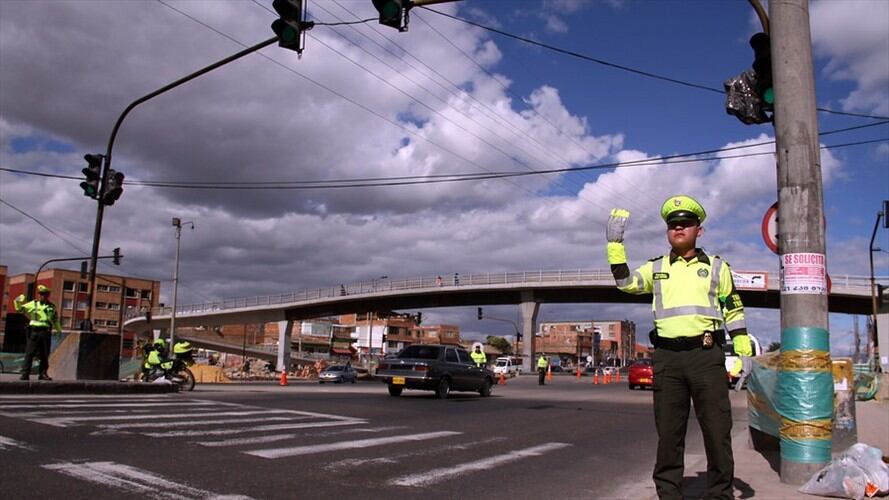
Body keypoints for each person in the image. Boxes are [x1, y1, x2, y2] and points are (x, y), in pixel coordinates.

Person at [606, 195, 752, 500]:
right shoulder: (656, 268)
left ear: (699, 230)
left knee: (716, 432)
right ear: (667, 231)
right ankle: (668, 495)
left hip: (706, 357)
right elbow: (625, 283)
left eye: (686, 223)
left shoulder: (716, 267)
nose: (679, 228)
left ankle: (721, 495)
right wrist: (615, 246)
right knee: (669, 436)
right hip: (668, 360)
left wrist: (741, 344)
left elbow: (733, 308)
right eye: (673, 224)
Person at [14, 284, 62, 381]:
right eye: (40, 294)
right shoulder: (33, 303)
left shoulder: (52, 307)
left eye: (43, 294)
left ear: (47, 295)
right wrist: (17, 300)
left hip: (45, 332)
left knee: (44, 354)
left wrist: (58, 330)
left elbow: (55, 320)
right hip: (34, 331)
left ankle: (43, 374)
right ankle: (25, 374)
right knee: (29, 353)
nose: (40, 296)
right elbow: (19, 309)